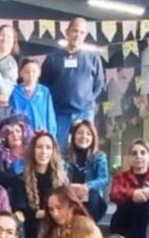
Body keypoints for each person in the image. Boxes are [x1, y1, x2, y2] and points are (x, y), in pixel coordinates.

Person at [40, 18, 104, 149]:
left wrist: (88, 100)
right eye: (75, 30)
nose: (77, 35)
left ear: (85, 35)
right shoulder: (53, 57)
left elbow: (99, 83)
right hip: (58, 112)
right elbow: (44, 85)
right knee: (57, 148)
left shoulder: (93, 58)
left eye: (81, 32)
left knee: (86, 149)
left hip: (84, 111)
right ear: (67, 32)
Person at [21, 130, 67, 238]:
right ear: (33, 151)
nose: (43, 152)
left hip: (57, 231)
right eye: (39, 147)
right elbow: (21, 211)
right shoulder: (20, 180)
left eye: (48, 148)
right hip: (32, 234)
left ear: (53, 152)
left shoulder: (61, 179)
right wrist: (47, 214)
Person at [64, 119, 110, 222]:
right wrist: (71, 187)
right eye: (80, 133)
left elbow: (104, 178)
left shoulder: (99, 156)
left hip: (92, 199)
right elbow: (60, 178)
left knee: (92, 196)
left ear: (93, 137)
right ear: (73, 136)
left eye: (88, 134)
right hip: (70, 196)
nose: (84, 136)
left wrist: (87, 186)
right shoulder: (65, 156)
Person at [0, 116, 32, 217]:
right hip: (11, 201)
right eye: (10, 133)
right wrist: (19, 179)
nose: (15, 135)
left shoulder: (32, 152)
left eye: (18, 131)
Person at [8, 58, 56, 137]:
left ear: (39, 73)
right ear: (21, 73)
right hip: (22, 135)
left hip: (40, 132)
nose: (30, 75)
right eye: (27, 72)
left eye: (34, 72)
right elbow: (11, 115)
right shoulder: (15, 92)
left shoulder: (44, 92)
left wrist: (51, 134)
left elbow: (50, 114)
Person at [0, 24, 20, 95]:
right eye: (2, 35)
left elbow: (7, 89)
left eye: (9, 36)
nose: (5, 38)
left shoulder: (12, 64)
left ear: (13, 42)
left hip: (4, 102)